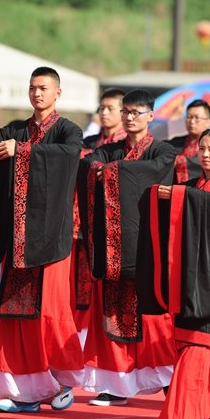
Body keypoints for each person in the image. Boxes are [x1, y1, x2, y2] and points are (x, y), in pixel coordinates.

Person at [0, 66, 84, 413]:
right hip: (17, 239)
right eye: (33, 87)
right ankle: (26, 392)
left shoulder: (68, 130)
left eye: (44, 88)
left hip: (50, 238)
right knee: (16, 316)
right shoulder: (17, 128)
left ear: (57, 93)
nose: (37, 93)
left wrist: (21, 152)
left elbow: (68, 157)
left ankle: (63, 382)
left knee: (50, 312)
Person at [138, 127, 210, 419]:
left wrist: (184, 197)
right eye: (203, 148)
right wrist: (162, 196)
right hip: (186, 283)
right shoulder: (186, 186)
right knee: (198, 351)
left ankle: (182, 418)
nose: (206, 154)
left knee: (197, 349)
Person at [80, 89, 177, 406]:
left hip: (148, 245)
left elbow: (156, 174)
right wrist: (105, 170)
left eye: (137, 112)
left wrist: (109, 174)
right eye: (127, 112)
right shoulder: (108, 150)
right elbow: (89, 166)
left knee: (153, 316)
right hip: (112, 247)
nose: (130, 117)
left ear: (151, 116)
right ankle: (115, 383)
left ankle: (165, 376)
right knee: (111, 313)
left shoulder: (163, 152)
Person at [75, 88, 127, 346]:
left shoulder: (124, 147)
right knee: (80, 288)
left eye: (110, 108)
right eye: (101, 108)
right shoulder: (89, 143)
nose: (104, 113)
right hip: (83, 224)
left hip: (115, 229)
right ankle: (81, 340)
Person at [170, 99, 210, 183]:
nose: (192, 121)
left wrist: (179, 161)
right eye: (189, 117)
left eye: (197, 118)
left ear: (208, 122)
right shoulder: (175, 143)